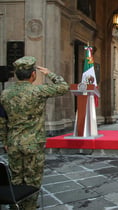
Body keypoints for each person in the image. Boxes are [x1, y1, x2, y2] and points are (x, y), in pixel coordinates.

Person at [0, 56, 69, 210]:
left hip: (13, 143)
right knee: (33, 179)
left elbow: (2, 120)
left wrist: (4, 141)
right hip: (33, 143)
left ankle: (16, 206)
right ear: (33, 74)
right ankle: (29, 207)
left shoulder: (5, 93)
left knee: (16, 178)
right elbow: (63, 87)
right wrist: (49, 73)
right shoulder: (38, 91)